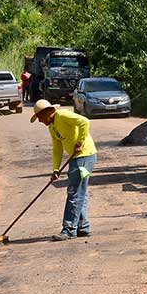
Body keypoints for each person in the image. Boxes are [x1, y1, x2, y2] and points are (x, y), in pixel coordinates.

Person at [30, 99, 98, 241]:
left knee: (74, 192)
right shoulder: (52, 126)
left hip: (85, 157)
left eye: (40, 117)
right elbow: (57, 148)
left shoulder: (62, 115)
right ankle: (83, 227)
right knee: (80, 192)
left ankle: (68, 229)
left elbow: (85, 122)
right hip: (76, 158)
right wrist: (55, 169)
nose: (40, 121)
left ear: (48, 112)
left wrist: (80, 141)